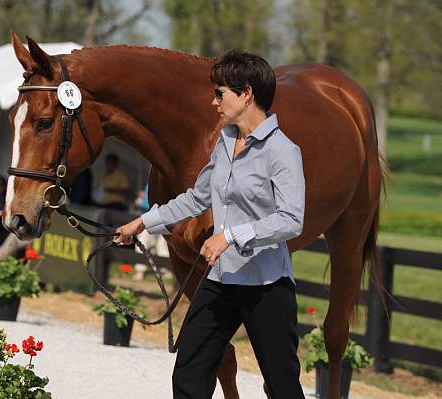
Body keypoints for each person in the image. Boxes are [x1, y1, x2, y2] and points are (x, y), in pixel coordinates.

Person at [114, 50, 306, 398]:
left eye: (221, 93)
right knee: (189, 370)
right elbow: (197, 197)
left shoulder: (283, 151)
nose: (214, 101)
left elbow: (291, 220)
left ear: (246, 93)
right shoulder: (225, 142)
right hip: (222, 278)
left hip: (267, 284)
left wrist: (230, 236)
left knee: (282, 386)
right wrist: (143, 222)